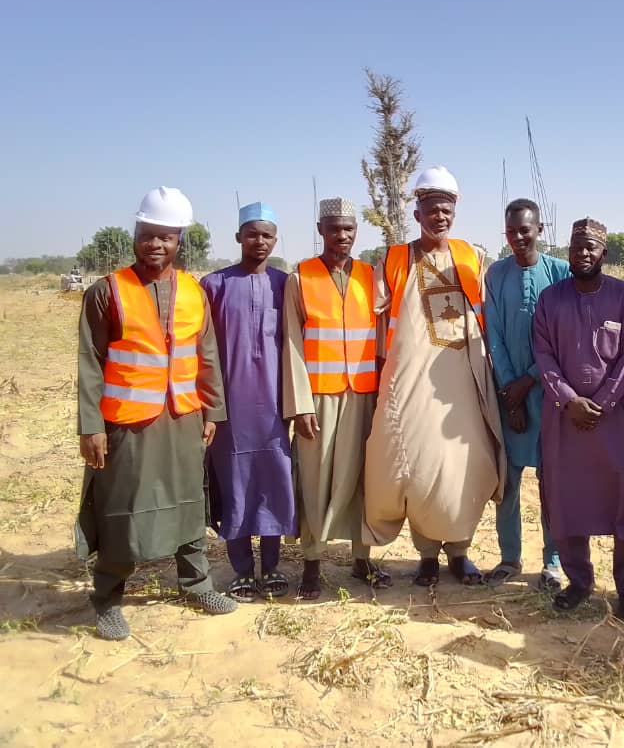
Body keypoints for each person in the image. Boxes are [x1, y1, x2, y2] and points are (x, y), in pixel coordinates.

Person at [76, 187, 237, 640]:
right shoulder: (107, 292)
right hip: (128, 421)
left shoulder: (193, 291)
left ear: (179, 241)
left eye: (165, 237)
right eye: (147, 235)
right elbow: (90, 363)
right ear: (136, 235)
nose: (155, 245)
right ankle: (107, 598)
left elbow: (207, 355)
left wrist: (213, 411)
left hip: (184, 417)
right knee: (122, 506)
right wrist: (91, 427)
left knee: (190, 500)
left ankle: (196, 585)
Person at [363, 167, 505, 586]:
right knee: (418, 465)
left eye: (445, 210)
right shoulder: (393, 258)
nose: (438, 217)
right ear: (417, 211)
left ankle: (460, 552)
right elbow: (373, 323)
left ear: (454, 211)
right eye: (430, 209)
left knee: (465, 463)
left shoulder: (472, 257)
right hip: (409, 380)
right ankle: (427, 555)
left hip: (461, 380)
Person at [532, 218, 624, 620]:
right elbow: (543, 356)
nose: (583, 253)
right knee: (566, 502)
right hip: (565, 422)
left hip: (617, 422)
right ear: (568, 250)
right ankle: (579, 582)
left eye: (592, 247)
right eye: (577, 246)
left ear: (604, 253)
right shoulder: (551, 299)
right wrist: (569, 400)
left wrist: (603, 401)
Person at [282, 196, 390, 600]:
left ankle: (362, 560)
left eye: (349, 229)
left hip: (363, 393)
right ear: (320, 230)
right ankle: (312, 562)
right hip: (319, 396)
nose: (341, 236)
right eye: (334, 229)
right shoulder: (300, 278)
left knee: (364, 477)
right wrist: (300, 404)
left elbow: (381, 337)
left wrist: (384, 392)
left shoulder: (370, 276)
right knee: (316, 477)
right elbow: (292, 344)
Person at [201, 202, 297, 600]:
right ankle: (241, 567)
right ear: (239, 237)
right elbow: (202, 350)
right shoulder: (213, 285)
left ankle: (272, 565)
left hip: (274, 404)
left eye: (267, 235)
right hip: (229, 405)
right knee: (235, 481)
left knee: (274, 477)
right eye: (253, 234)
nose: (260, 241)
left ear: (276, 240)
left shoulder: (285, 283)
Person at [482, 199, 570, 590]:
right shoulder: (496, 275)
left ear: (539, 230)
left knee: (552, 481)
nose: (518, 238)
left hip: (548, 394)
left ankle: (553, 562)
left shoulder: (560, 272)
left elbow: (563, 339)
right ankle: (509, 557)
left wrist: (530, 381)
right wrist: (508, 391)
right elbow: (494, 335)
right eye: (511, 231)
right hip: (509, 396)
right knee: (509, 481)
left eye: (525, 230)